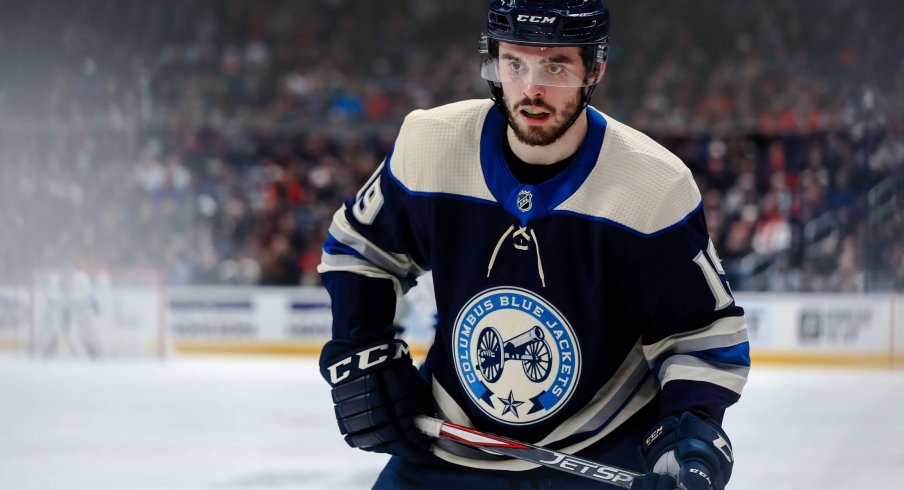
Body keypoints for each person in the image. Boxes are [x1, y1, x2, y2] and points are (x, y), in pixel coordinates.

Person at [318, 1, 749, 489]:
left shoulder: (653, 186)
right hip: (449, 445)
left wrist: (687, 435)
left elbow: (700, 335)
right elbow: (359, 248)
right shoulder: (430, 145)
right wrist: (363, 349)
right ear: (493, 61)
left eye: (556, 65)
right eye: (514, 63)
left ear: (595, 68)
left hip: (601, 451)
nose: (531, 89)